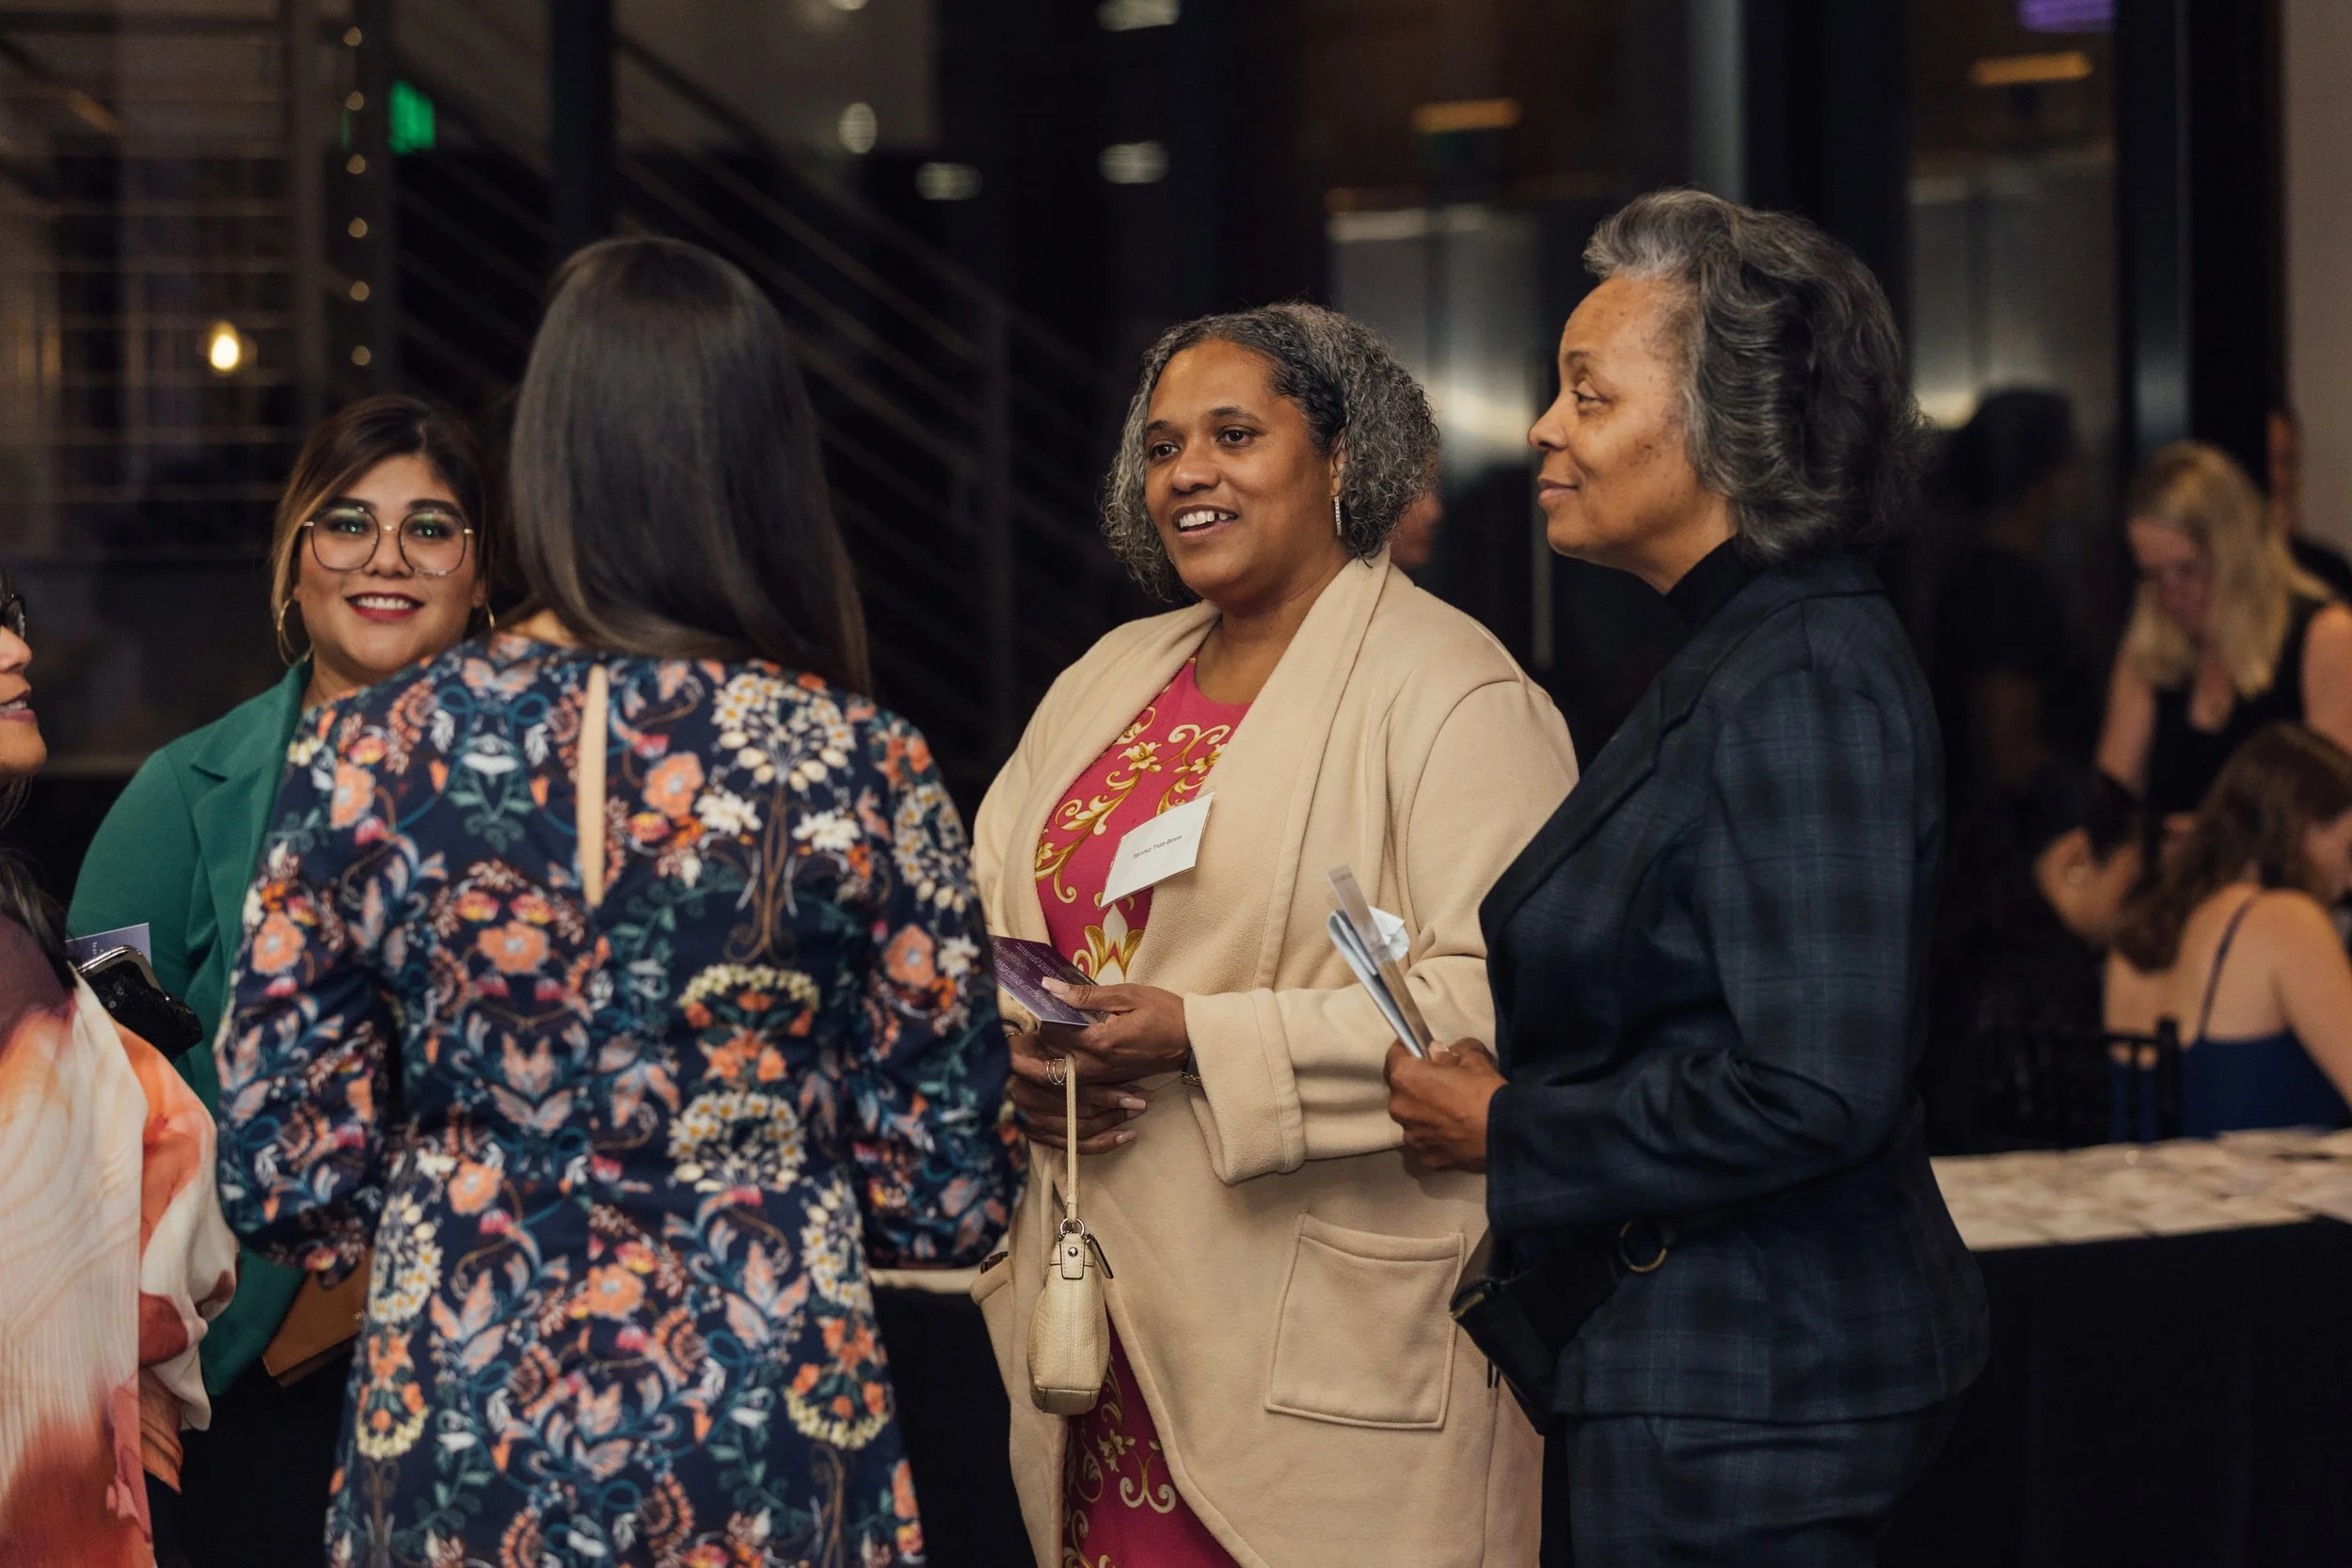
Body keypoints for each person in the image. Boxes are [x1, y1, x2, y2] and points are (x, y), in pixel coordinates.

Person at [210, 237, 1015, 1565]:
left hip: (463, 1409)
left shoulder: (372, 751)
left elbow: (282, 1169)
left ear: (543, 459)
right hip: (764, 1413)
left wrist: (465, 1175)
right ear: (765, 465)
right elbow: (948, 1191)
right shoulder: (856, 761)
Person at [1384, 189, 1988, 1565]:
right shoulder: (1747, 654)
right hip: (1724, 1372)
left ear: (1728, 430)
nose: (1543, 426)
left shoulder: (1806, 674)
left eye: (1587, 393)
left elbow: (1818, 1083)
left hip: (1760, 1388)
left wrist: (1515, 1126)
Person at [967, 303, 1574, 1567]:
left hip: (1327, 1346)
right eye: (1164, 444)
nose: (1190, 469)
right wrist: (1014, 1062)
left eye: (1235, 434)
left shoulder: (1457, 689)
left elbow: (1504, 1003)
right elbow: (978, 922)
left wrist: (1201, 1035)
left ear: (1346, 460)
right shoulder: (1105, 677)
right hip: (1109, 1339)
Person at [67, 394, 494, 1568]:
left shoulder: (561, 786)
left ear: (480, 569)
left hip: (506, 1346)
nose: (386, 558)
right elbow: (91, 1085)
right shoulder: (183, 788)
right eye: (346, 521)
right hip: (254, 1359)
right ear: (293, 559)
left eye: (432, 527)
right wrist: (128, 1351)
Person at [0, 574, 238, 1567]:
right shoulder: (179, 793)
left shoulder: (24, 911)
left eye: (10, 622)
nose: (18, 650)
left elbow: (146, 1016)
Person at [2106, 723, 2352, 1136]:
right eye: (2349, 850)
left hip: (2145, 1191)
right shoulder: (2285, 920)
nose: (2349, 879)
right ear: (2304, 825)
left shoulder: (2147, 923)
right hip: (2263, 1195)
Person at [2096, 440, 2352, 828]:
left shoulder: (2322, 635)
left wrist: (2210, 846)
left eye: (2187, 570)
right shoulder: (2150, 651)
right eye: (2153, 575)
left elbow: (2335, 815)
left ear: (2235, 554)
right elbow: (2112, 802)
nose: (2170, 594)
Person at [1923, 768, 2147, 1152]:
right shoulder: (2054, 976)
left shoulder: (1951, 941)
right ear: (2075, 856)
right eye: (2132, 886)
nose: (2135, 910)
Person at [1928, 388, 2096, 803]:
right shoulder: (2002, 588)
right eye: (2070, 460)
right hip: (2016, 847)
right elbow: (2009, 754)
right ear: (2040, 478)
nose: (2081, 478)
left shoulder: (1992, 574)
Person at [2265, 407, 2352, 603]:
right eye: (2268, 461)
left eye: (2286, 461)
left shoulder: (2329, 570)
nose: (2277, 476)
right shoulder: (2220, 574)